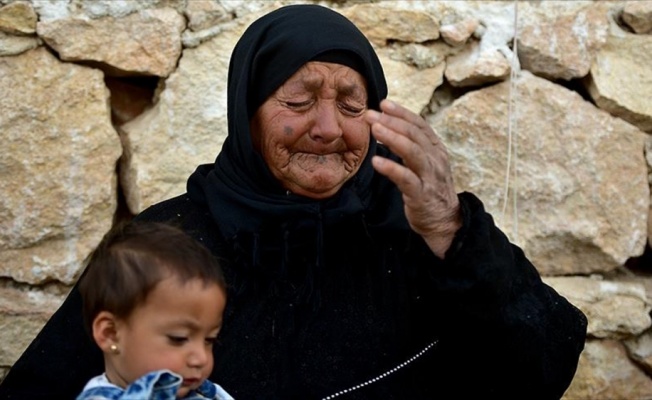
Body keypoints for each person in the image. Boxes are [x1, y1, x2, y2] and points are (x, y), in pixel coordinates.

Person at [0, 4, 587, 399]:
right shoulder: (168, 244)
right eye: (298, 99)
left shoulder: (421, 229)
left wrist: (450, 229)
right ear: (246, 111)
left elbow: (542, 368)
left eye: (352, 104)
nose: (328, 127)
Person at [74, 221, 233, 400]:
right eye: (178, 339)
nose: (201, 358)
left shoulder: (206, 393)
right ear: (111, 333)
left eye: (209, 340)